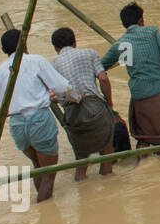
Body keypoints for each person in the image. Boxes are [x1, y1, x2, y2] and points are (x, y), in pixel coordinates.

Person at [0, 29, 80, 203]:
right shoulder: (36, 61)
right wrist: (77, 97)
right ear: (24, 43)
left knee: (37, 167)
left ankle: (44, 214)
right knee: (48, 174)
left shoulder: (0, 72)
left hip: (17, 125)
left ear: (5, 50)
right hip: (38, 120)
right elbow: (61, 87)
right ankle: (43, 209)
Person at [101, 3, 160, 150]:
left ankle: (141, 163)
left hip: (140, 95)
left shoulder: (120, 44)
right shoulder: (152, 31)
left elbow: (99, 68)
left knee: (144, 140)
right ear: (141, 20)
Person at [50, 27, 117, 179]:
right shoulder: (90, 53)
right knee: (106, 155)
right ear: (75, 42)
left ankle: (81, 191)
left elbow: (53, 95)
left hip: (73, 115)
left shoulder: (52, 65)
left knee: (81, 161)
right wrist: (109, 104)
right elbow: (103, 79)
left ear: (56, 48)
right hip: (96, 110)